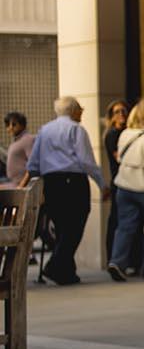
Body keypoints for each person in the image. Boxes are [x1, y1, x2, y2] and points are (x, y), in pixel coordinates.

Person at [25, 96, 109, 286]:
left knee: (62, 227)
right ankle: (55, 266)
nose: (82, 113)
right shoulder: (76, 130)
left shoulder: (44, 130)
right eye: (80, 109)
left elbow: (33, 163)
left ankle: (67, 273)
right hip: (74, 182)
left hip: (52, 182)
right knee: (75, 225)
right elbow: (86, 161)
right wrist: (102, 184)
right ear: (73, 111)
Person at [108, 100, 144, 281]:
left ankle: (117, 261)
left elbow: (120, 159)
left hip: (124, 187)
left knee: (125, 226)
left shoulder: (125, 134)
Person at [100, 99, 128, 260]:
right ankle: (112, 257)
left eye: (124, 111)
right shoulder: (111, 135)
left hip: (128, 182)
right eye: (117, 112)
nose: (121, 114)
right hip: (118, 182)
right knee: (116, 220)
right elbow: (120, 158)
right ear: (112, 116)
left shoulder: (128, 132)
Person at [4, 111, 31, 188]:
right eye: (7, 125)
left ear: (22, 125)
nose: (10, 127)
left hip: (20, 184)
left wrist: (21, 185)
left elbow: (33, 165)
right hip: (12, 182)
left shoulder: (28, 139)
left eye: (14, 124)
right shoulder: (16, 141)